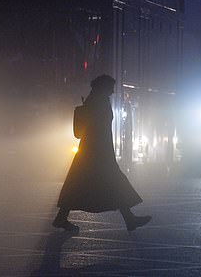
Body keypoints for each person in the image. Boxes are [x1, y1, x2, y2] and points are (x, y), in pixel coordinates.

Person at [52, 74, 152, 232]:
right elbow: (99, 129)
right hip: (97, 151)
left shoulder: (95, 100)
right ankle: (129, 218)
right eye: (111, 87)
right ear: (103, 87)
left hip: (92, 150)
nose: (113, 91)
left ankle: (61, 217)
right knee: (113, 182)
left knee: (79, 183)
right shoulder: (98, 102)